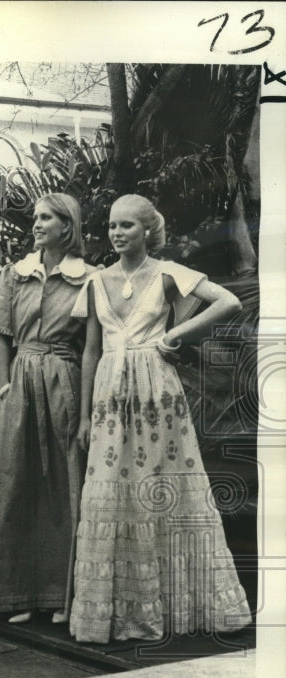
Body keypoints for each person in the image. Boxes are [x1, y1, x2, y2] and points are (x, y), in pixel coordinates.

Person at [68, 194, 252, 643]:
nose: (116, 233)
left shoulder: (169, 274)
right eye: (112, 225)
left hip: (157, 394)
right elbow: (91, 350)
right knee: (113, 492)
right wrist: (85, 416)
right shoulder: (96, 282)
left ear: (147, 230)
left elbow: (228, 302)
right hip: (111, 394)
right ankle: (119, 613)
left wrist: (175, 334)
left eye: (126, 225)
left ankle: (173, 605)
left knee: (161, 486)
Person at [0, 193, 97, 624]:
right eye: (35, 217)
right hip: (22, 381)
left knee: (64, 487)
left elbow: (92, 345)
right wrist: (4, 385)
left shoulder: (89, 276)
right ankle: (22, 595)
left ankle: (63, 598)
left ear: (67, 226)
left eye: (46, 217)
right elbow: (1, 335)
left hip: (63, 380)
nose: (36, 224)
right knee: (18, 483)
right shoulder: (16, 274)